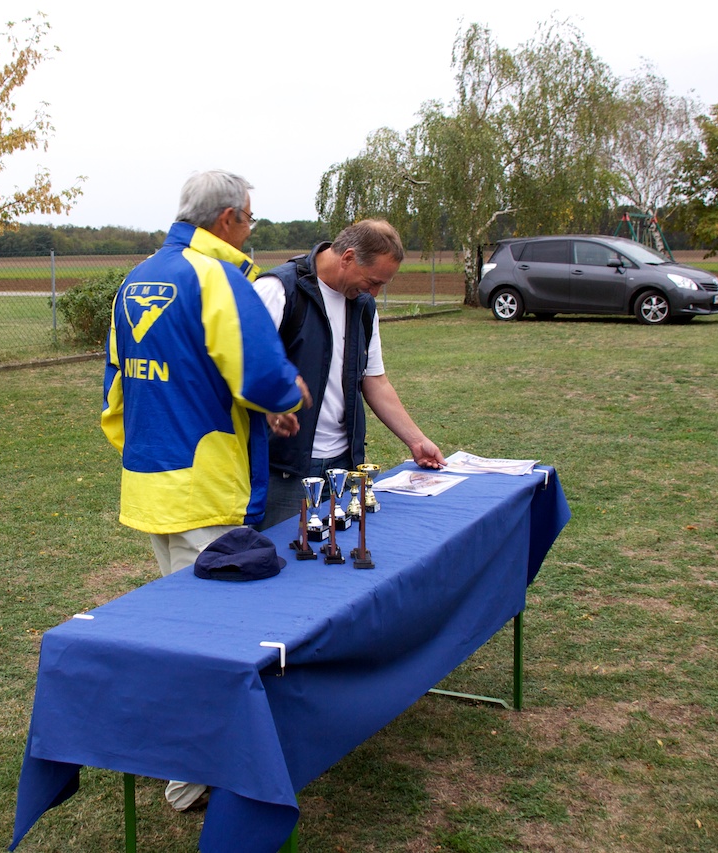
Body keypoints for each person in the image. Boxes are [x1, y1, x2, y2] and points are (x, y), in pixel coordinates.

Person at [101, 170, 310, 810]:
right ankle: (190, 781)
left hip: (150, 482)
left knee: (180, 625)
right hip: (207, 488)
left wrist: (148, 447)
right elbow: (260, 372)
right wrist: (287, 396)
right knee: (214, 641)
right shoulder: (219, 276)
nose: (251, 230)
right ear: (227, 220)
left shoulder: (136, 279)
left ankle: (183, 763)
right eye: (250, 218)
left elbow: (117, 386)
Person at [253, 219, 446, 528]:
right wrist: (269, 403)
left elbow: (375, 380)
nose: (375, 292)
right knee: (285, 554)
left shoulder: (363, 305)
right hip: (283, 471)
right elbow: (238, 364)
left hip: (345, 465)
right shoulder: (277, 290)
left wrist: (416, 440)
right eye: (373, 281)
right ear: (348, 257)